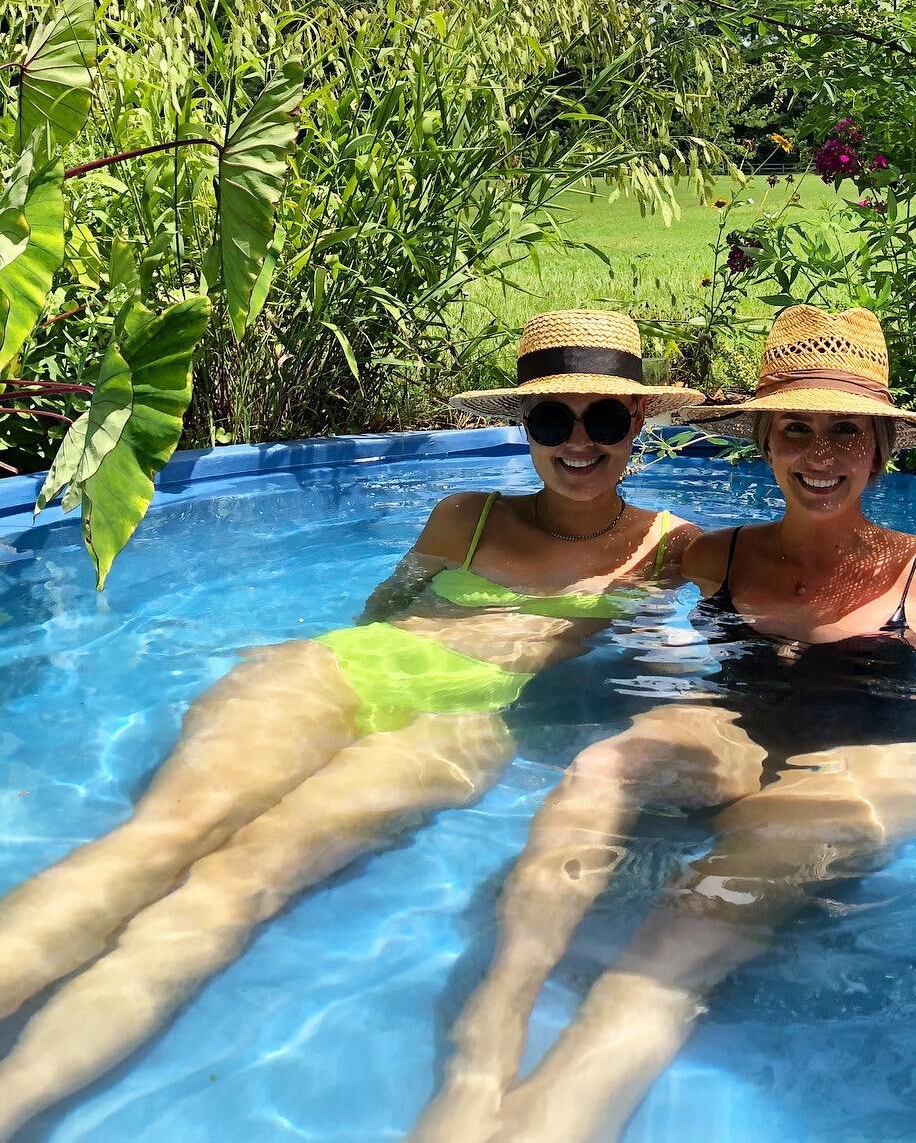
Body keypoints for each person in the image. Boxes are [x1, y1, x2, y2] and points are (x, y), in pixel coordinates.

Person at [416, 305, 916, 1143]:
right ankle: (493, 1026)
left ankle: (545, 1122)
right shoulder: (715, 556)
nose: (819, 455)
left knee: (692, 915)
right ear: (763, 443)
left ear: (881, 451)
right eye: (795, 429)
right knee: (600, 770)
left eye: (846, 432)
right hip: (735, 729)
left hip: (867, 757)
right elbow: (630, 624)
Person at [0, 310, 700, 1139]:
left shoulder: (667, 547)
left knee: (241, 881)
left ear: (639, 424)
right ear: (524, 428)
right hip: (332, 672)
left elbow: (670, 664)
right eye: (552, 418)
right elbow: (379, 616)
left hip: (458, 720)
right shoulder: (463, 515)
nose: (577, 442)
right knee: (158, 838)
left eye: (605, 418)